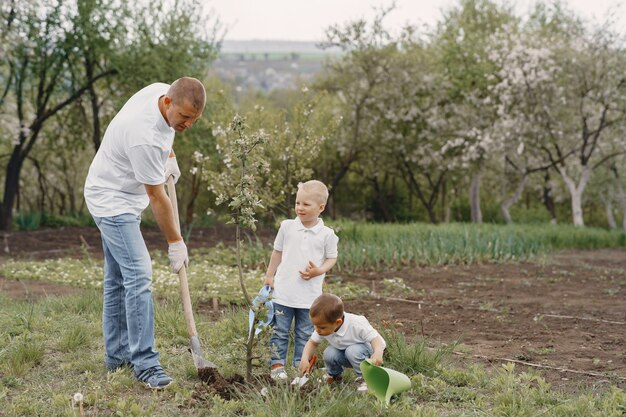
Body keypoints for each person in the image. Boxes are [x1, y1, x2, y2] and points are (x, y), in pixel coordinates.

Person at [84, 77, 206, 390]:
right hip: (112, 199)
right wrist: (176, 242)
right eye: (184, 118)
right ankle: (146, 364)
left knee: (117, 279)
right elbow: (157, 198)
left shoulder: (161, 90)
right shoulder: (144, 137)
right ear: (168, 103)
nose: (188, 124)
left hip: (115, 187)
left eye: (193, 119)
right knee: (139, 275)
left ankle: (116, 357)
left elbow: (164, 135)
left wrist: (169, 155)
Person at [263, 180, 339, 380]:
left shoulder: (327, 234)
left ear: (320, 207)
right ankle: (277, 365)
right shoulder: (287, 227)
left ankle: (301, 365)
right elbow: (277, 252)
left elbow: (332, 258)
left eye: (306, 204)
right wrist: (270, 275)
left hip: (309, 297)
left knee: (305, 333)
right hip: (284, 292)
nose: (299, 208)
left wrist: (319, 270)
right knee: (279, 331)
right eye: (297, 203)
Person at [298, 293, 386, 392]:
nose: (317, 330)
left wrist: (378, 352)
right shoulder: (322, 326)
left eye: (321, 327)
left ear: (338, 322)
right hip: (347, 354)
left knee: (352, 350)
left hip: (369, 354)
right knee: (329, 353)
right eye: (314, 325)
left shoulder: (356, 324)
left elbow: (375, 339)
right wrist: (304, 359)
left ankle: (366, 379)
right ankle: (334, 376)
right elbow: (312, 343)